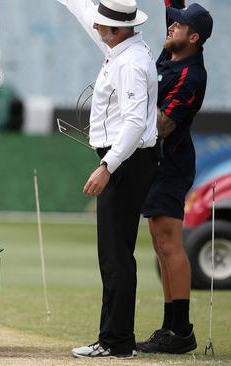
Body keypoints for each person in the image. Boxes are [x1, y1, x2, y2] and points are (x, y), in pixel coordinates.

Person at [59, 0, 158, 358]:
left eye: (103, 26)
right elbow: (87, 15)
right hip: (125, 160)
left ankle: (116, 342)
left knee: (116, 255)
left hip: (127, 161)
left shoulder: (130, 63)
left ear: (117, 30)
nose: (97, 29)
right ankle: (115, 339)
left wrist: (107, 166)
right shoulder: (122, 45)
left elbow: (133, 124)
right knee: (115, 254)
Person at [138, 1, 212, 354]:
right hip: (160, 163)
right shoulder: (174, 51)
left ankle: (181, 331)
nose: (170, 27)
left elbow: (163, 127)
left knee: (169, 243)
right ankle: (171, 328)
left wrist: (137, 96)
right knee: (160, 242)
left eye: (178, 25)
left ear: (193, 37)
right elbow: (174, 7)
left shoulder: (191, 76)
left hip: (172, 163)